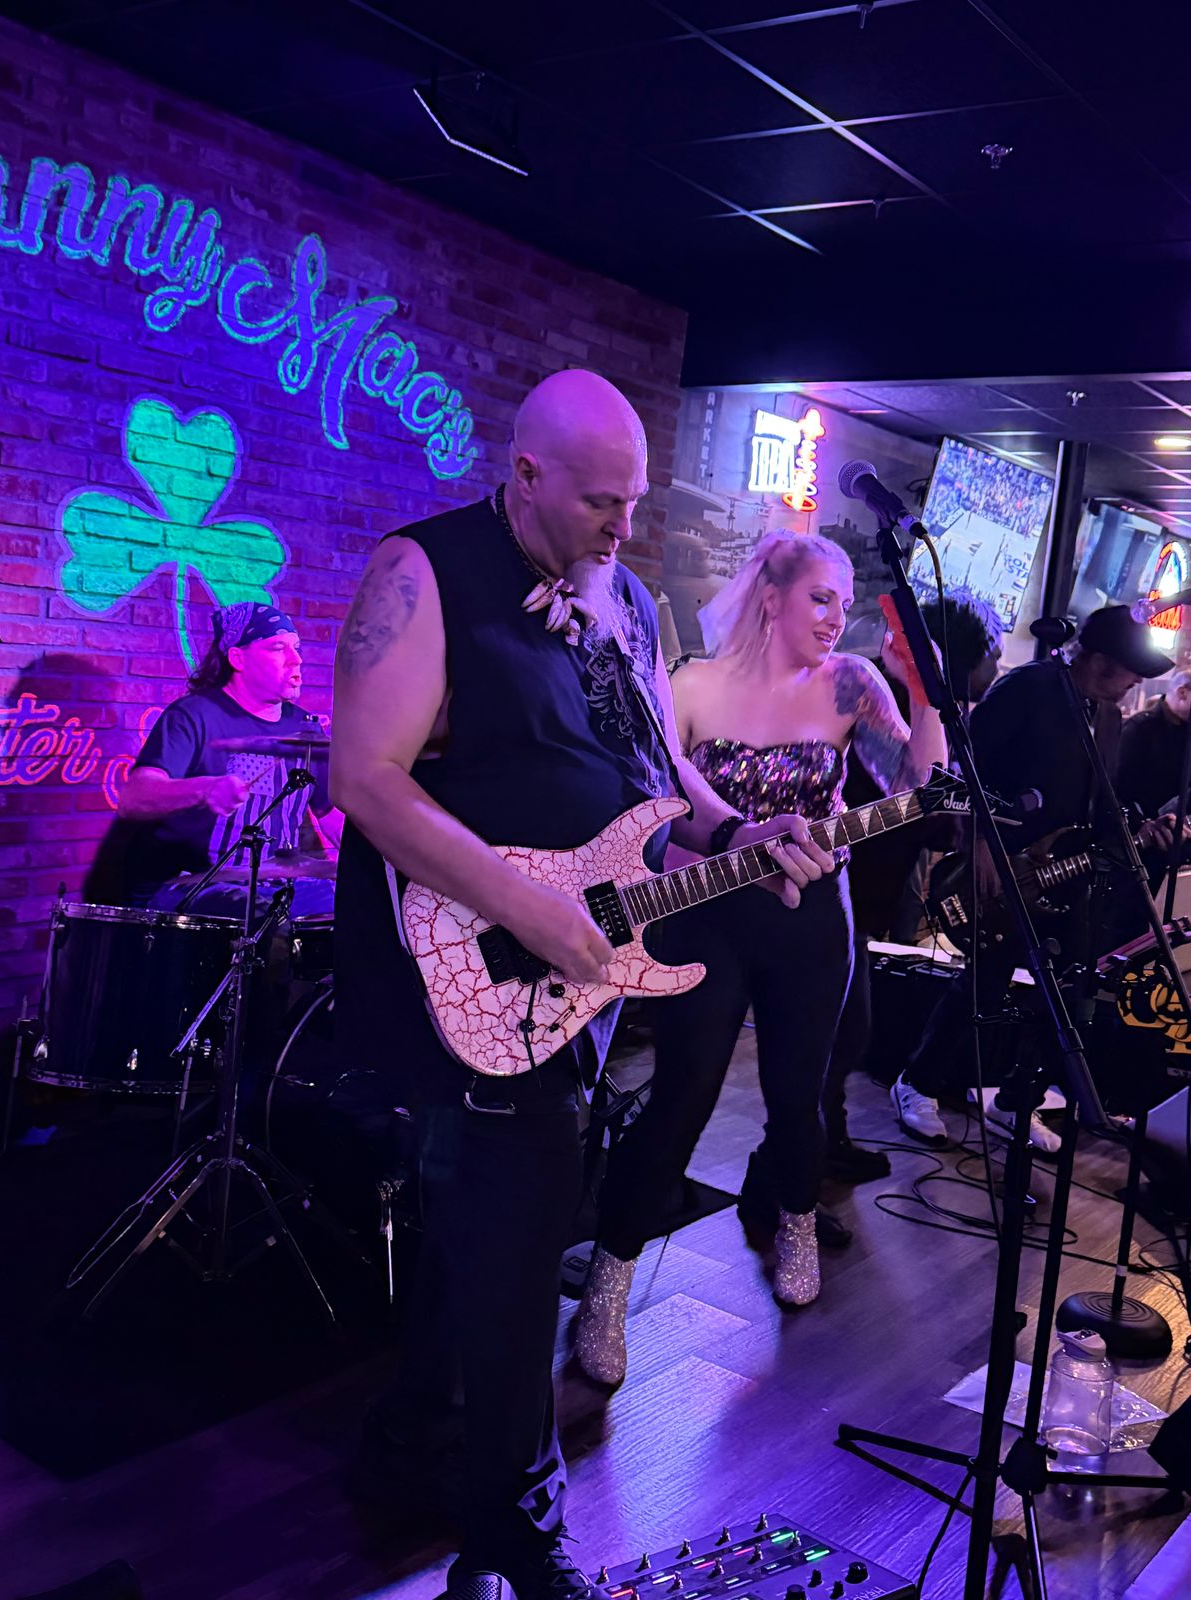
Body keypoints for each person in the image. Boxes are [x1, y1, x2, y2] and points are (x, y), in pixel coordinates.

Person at [328, 371, 833, 1600]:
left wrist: (733, 834)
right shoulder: (426, 570)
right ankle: (516, 1538)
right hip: (472, 959)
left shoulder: (632, 602)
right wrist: (527, 908)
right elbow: (365, 776)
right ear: (526, 473)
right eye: (602, 501)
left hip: (577, 977)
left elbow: (660, 773)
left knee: (487, 1225)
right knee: (519, 1231)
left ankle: (409, 1445)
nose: (623, 524)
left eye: (635, 500)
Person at [573, 530, 946, 1390]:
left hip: (811, 916)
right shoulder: (693, 683)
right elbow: (664, 785)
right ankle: (609, 1276)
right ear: (771, 597)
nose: (836, 616)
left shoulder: (853, 684)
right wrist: (737, 833)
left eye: (845, 602)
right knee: (682, 1096)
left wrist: (925, 690)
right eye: (821, 596)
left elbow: (917, 787)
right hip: (703, 912)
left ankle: (796, 1219)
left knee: (800, 1092)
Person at [890, 604, 1175, 1151]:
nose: (1135, 684)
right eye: (1129, 672)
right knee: (984, 981)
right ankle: (917, 1082)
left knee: (1070, 994)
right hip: (1005, 867)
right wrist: (979, 840)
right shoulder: (1028, 689)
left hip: (1064, 877)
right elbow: (967, 767)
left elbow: (1099, 803)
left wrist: (1139, 829)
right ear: (1097, 660)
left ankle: (1015, 1102)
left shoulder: (1108, 718)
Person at [823, 587, 1003, 1180]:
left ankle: (825, 1140)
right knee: (839, 1030)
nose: (997, 670)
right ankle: (804, 1160)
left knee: (847, 1029)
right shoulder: (878, 692)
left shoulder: (943, 712)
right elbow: (913, 800)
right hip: (835, 884)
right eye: (991, 657)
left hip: (864, 890)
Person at [85, 603, 339, 917]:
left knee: (358, 909)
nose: (296, 659)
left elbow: (331, 815)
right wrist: (206, 789)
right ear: (238, 658)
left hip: (274, 885)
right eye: (277, 648)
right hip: (190, 886)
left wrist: (382, 856)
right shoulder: (193, 715)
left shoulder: (304, 729)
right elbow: (134, 798)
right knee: (258, 918)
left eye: (296, 648)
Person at [1117, 668, 1191, 822]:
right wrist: (1141, 823)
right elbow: (1119, 789)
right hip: (1144, 828)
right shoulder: (1140, 728)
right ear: (1183, 693)